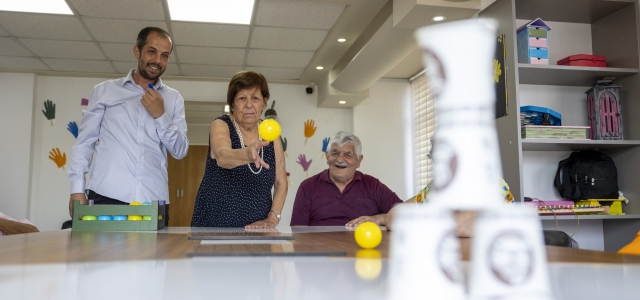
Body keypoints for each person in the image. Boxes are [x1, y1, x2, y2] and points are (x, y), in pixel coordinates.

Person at [67, 27, 189, 226]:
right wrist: (77, 189)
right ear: (137, 51)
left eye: (164, 55)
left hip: (153, 200)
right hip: (106, 196)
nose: (158, 60)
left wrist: (160, 115)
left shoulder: (174, 99)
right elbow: (85, 143)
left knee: (155, 257)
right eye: (152, 51)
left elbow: (180, 150)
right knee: (103, 257)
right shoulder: (104, 91)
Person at [190, 71, 287, 228]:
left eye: (255, 98)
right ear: (232, 104)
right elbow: (222, 156)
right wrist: (248, 154)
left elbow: (281, 182)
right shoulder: (221, 124)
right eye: (242, 98)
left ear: (264, 103)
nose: (249, 104)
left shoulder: (272, 136)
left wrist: (273, 217)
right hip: (214, 225)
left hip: (257, 229)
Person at [290, 131, 403, 227]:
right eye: (335, 153)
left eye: (348, 155)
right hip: (321, 251)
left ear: (359, 160)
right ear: (327, 156)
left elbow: (403, 214)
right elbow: (298, 232)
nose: (340, 159)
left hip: (363, 250)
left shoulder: (373, 185)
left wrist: (380, 218)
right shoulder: (307, 186)